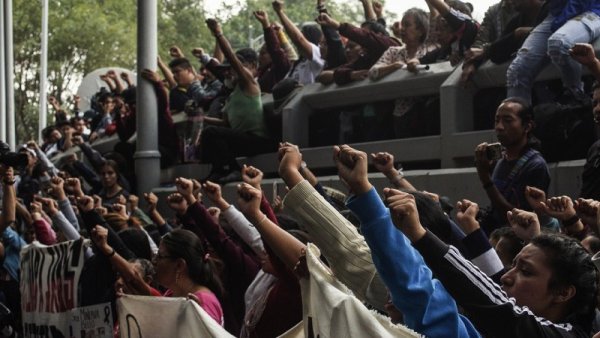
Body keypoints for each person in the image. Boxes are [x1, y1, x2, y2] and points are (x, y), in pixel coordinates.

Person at [201, 19, 277, 184]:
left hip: (258, 141)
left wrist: (218, 34)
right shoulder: (231, 96)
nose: (228, 73)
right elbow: (225, 123)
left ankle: (233, 169)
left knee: (211, 133)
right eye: (226, 71)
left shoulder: (249, 83)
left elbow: (232, 58)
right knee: (206, 138)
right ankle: (219, 170)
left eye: (231, 70)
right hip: (241, 140)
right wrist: (201, 118)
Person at [474, 97, 550, 232]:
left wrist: (485, 178)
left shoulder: (535, 165)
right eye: (497, 120)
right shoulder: (499, 159)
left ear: (527, 126)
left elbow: (517, 219)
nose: (499, 127)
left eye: (507, 121)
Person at [506, 0, 600, 105]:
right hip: (556, 12)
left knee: (558, 43)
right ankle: (515, 116)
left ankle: (577, 99)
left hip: (591, 9)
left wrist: (561, 20)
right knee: (517, 70)